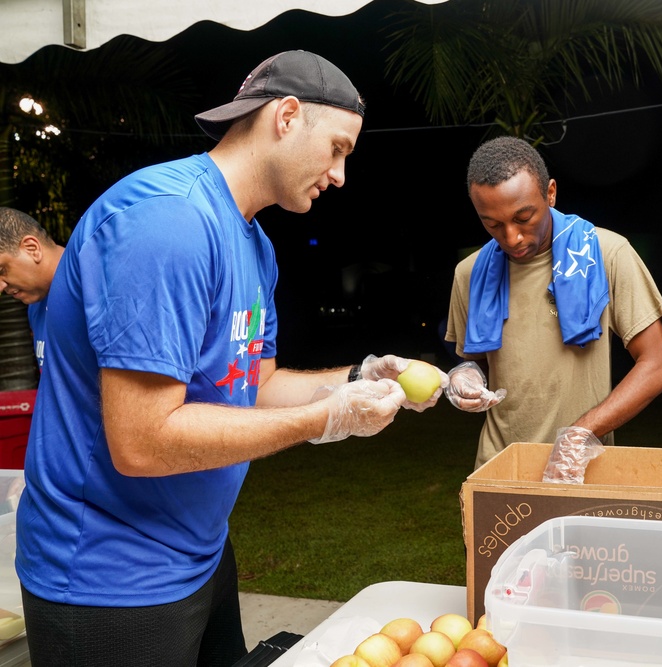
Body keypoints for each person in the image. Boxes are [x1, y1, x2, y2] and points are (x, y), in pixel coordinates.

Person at [15, 50, 447, 666]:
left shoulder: (253, 244)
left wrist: (355, 378)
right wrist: (325, 420)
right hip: (109, 576)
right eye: (337, 148)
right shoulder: (167, 222)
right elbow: (141, 441)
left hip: (200, 553)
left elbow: (254, 383)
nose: (341, 173)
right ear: (287, 116)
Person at [445, 136, 662, 470]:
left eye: (524, 218)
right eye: (492, 224)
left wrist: (582, 433)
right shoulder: (469, 273)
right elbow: (475, 364)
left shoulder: (607, 254)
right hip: (498, 465)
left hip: (581, 466)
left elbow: (657, 365)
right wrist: (463, 378)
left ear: (550, 193)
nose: (511, 237)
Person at [0, 207, 64, 372]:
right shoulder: (35, 304)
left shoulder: (91, 289)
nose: (1, 287)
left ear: (32, 248)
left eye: (1, 270)